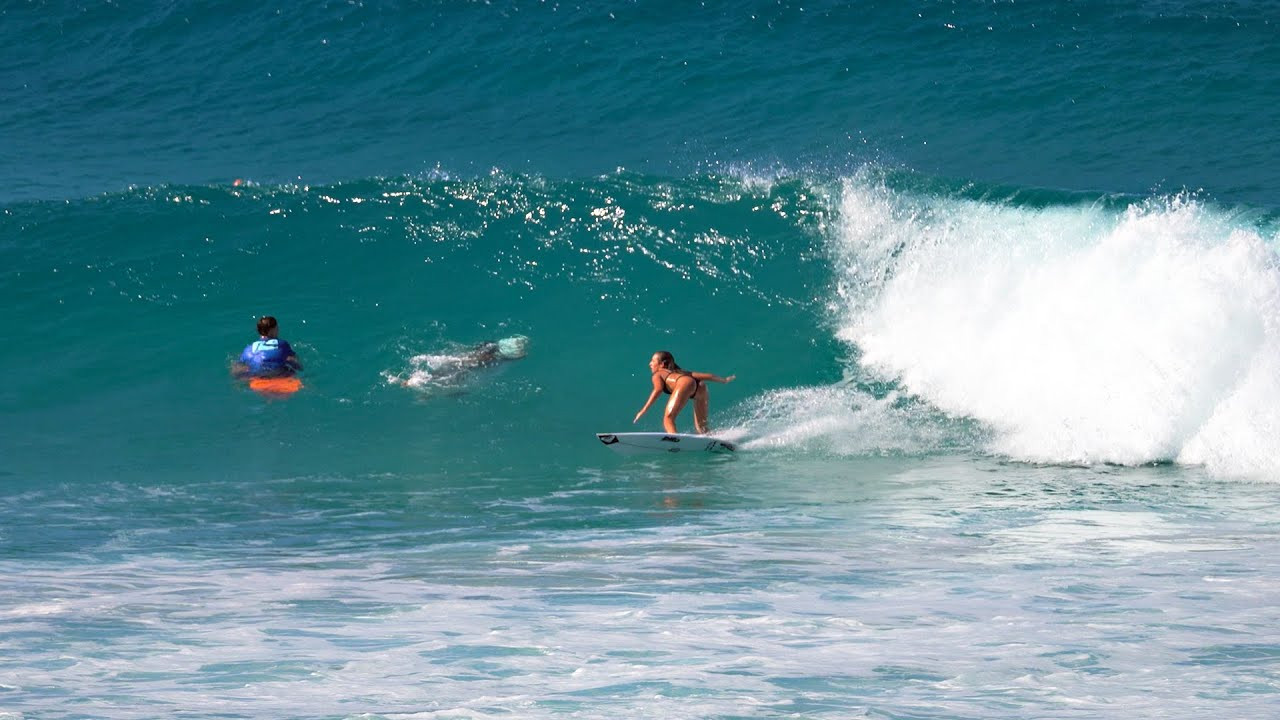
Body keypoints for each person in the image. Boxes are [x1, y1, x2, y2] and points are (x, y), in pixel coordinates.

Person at [634, 350, 735, 434]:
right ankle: (712, 439)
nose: (650, 363)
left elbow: (658, 389)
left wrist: (643, 410)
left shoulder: (658, 374)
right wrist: (723, 380)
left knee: (668, 419)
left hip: (684, 383)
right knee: (701, 427)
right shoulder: (678, 372)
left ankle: (675, 440)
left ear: (662, 364)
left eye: (652, 361)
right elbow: (704, 376)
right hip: (700, 387)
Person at [390, 335, 529, 390]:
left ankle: (414, 382)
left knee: (445, 374)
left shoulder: (471, 356)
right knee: (446, 377)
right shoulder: (475, 360)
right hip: (460, 368)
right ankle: (414, 382)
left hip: (458, 364)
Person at [232, 315, 302, 378]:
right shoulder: (282, 344)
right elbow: (296, 363)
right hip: (277, 373)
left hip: (255, 374)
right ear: (272, 330)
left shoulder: (248, 348)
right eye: (277, 328)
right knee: (290, 367)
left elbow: (237, 369)